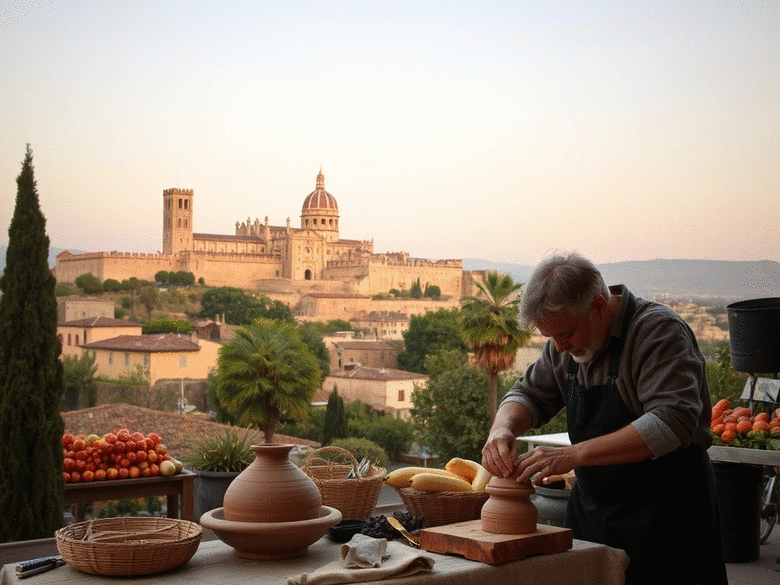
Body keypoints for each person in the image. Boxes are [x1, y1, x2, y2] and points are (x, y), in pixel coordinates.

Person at [481, 252, 727, 585]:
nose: (559, 346)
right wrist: (502, 428)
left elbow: (670, 422)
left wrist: (572, 455)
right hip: (596, 516)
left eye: (566, 334)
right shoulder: (562, 341)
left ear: (599, 306)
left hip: (667, 516)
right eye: (549, 337)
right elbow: (527, 394)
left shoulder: (657, 331)